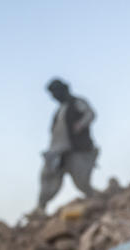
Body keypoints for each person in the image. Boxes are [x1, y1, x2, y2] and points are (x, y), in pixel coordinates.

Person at [35, 78, 98, 214]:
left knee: (81, 180)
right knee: (48, 178)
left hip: (76, 149)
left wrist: (80, 125)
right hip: (57, 152)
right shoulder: (59, 111)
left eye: (56, 92)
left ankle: (97, 200)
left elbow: (90, 114)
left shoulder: (76, 103)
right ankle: (40, 209)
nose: (54, 97)